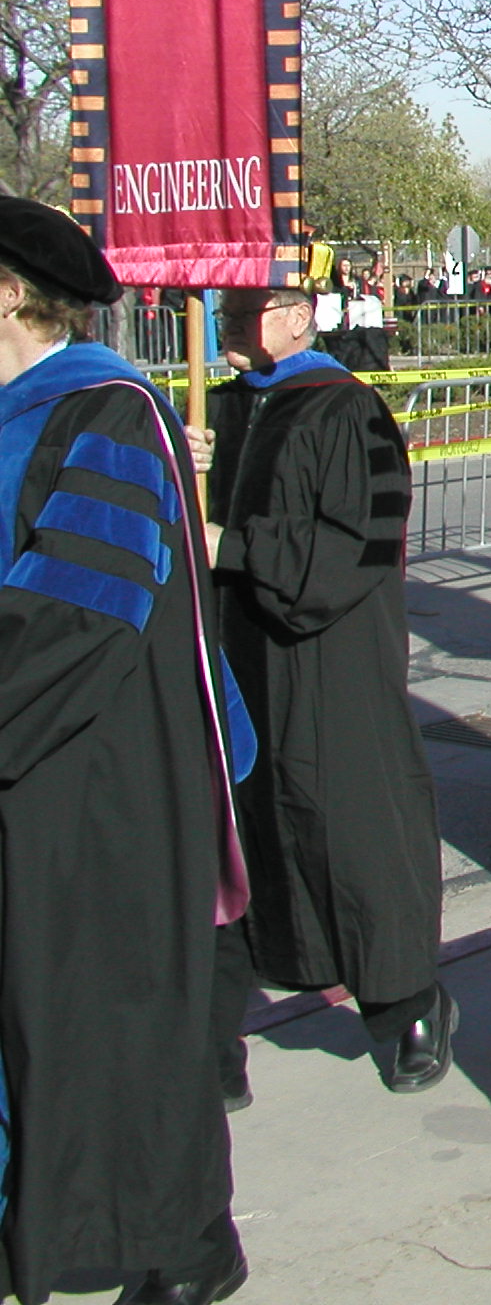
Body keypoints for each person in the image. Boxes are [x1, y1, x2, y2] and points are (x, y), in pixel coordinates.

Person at [0, 201, 249, 1305]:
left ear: (9, 291)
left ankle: (187, 1243)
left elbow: (81, 612)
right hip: (26, 762)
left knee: (109, 1021)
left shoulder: (103, 410)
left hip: (91, 779)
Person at [197, 285, 451, 1106]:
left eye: (248, 311)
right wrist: (179, 466)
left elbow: (350, 547)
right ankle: (214, 1036)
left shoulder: (347, 412)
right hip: (231, 657)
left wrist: (230, 543)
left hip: (324, 658)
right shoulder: (216, 411)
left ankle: (404, 1006)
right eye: (226, 312)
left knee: (350, 832)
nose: (230, 324)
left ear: (302, 316)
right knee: (230, 837)